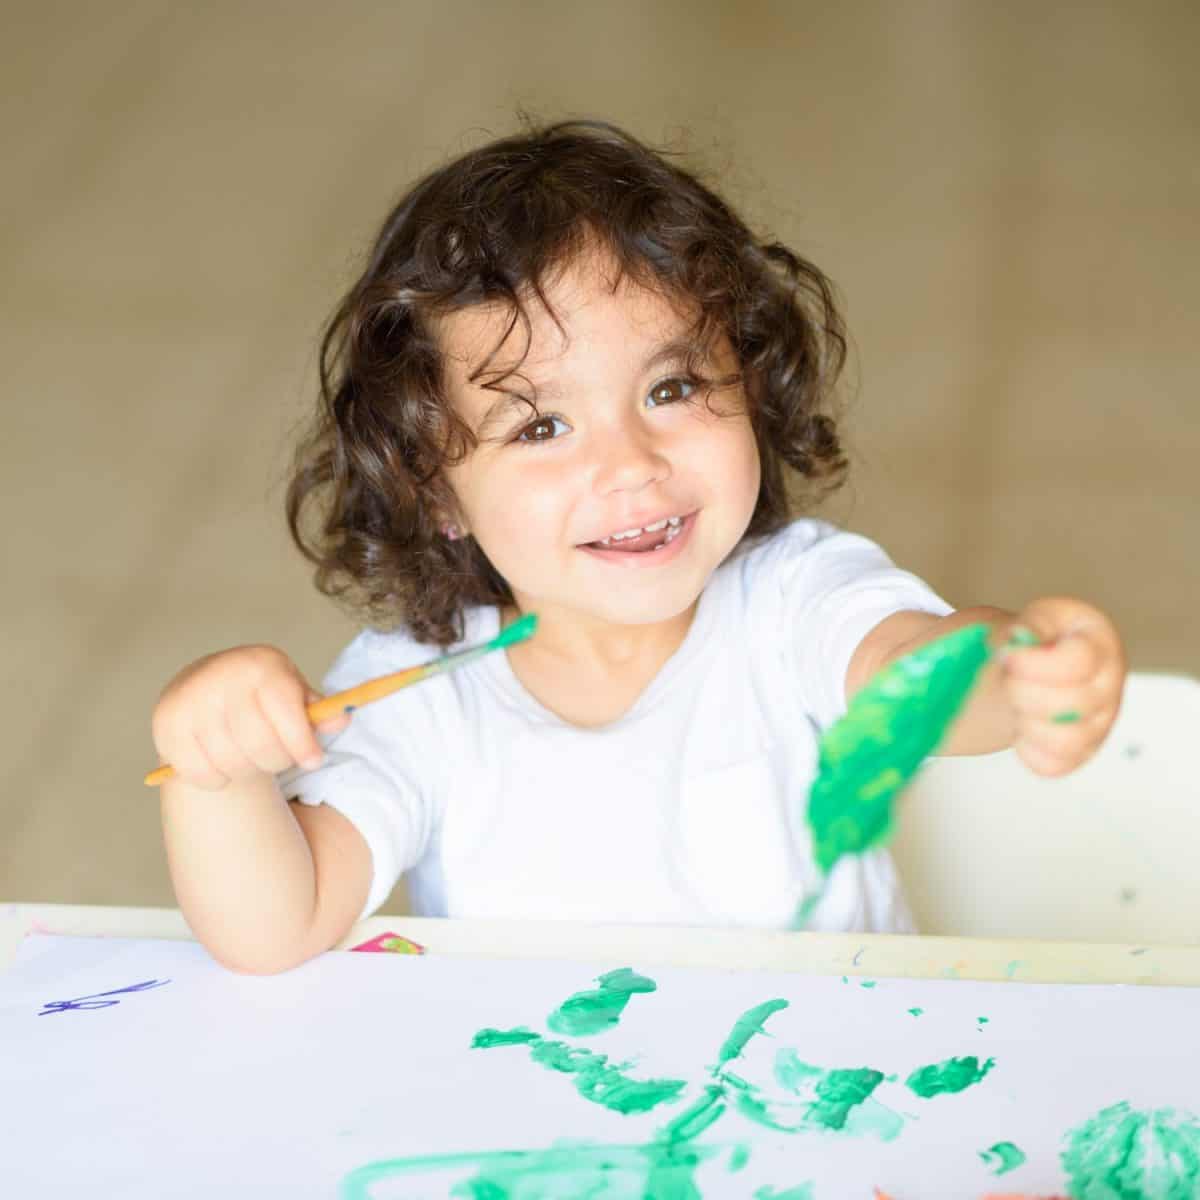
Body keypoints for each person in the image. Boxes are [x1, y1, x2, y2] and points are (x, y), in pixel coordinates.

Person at [151, 120, 1126, 973]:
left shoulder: (791, 600)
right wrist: (219, 774)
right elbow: (274, 932)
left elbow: (905, 670)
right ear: (434, 490)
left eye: (670, 389)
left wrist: (1011, 673)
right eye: (540, 427)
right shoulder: (420, 689)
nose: (630, 463)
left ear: (752, 383)